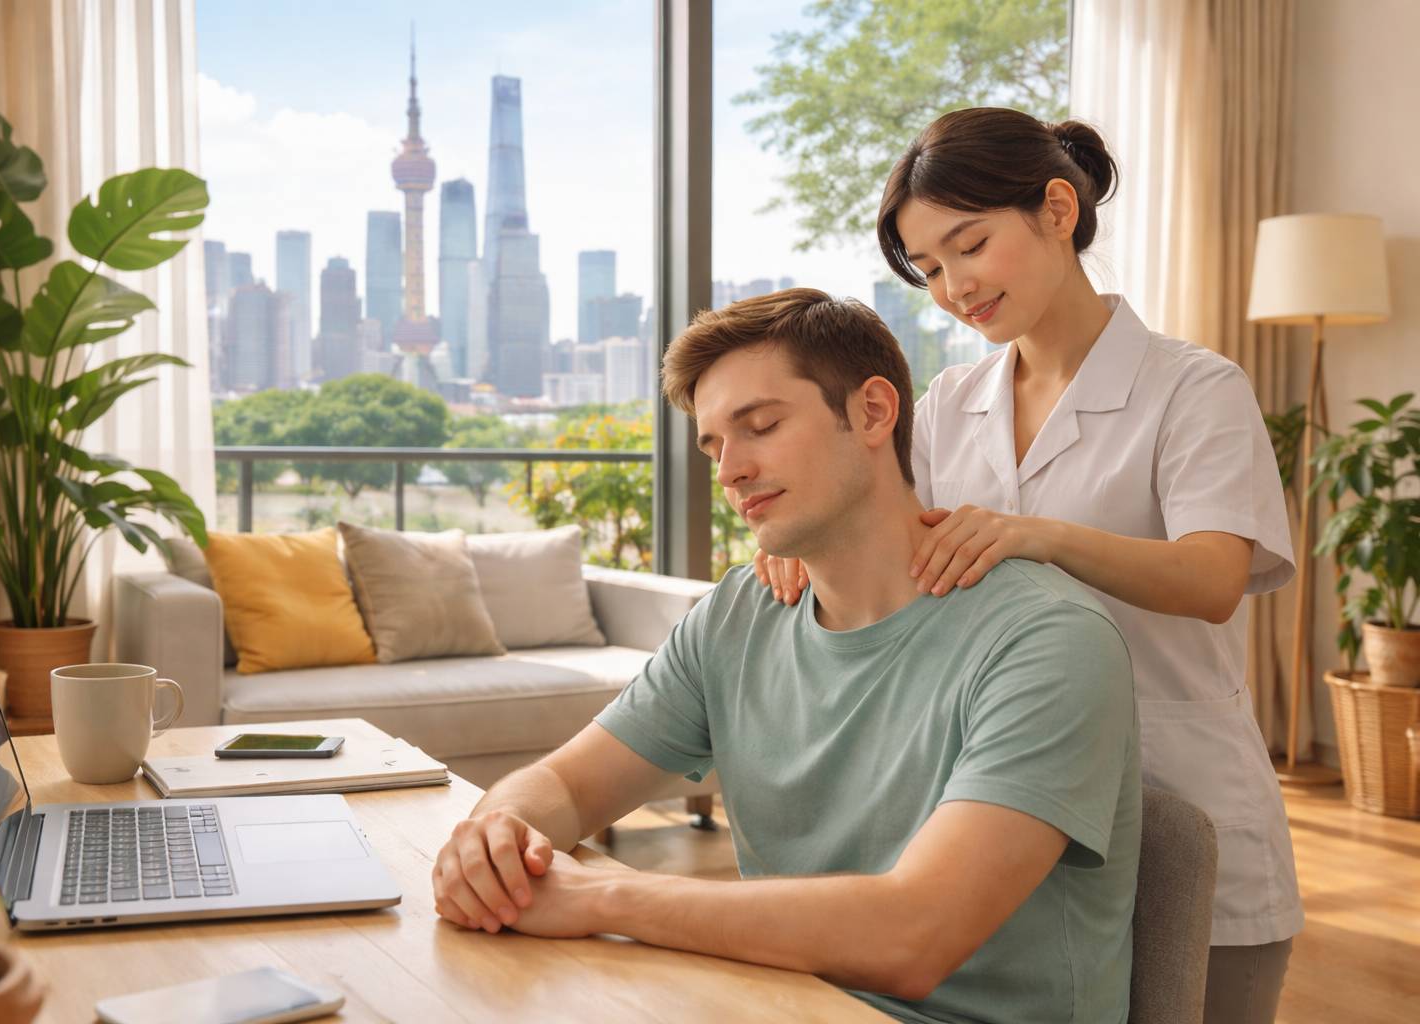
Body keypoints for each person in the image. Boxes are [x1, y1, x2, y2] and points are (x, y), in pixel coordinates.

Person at [432, 289, 1141, 1023]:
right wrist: (499, 835)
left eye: (762, 426)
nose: (730, 471)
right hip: (775, 1003)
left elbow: (915, 933)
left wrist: (605, 896)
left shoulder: (1047, 638)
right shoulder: (739, 616)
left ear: (874, 412)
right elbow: (567, 785)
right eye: (714, 447)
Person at [754, 107, 1300, 1024]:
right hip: (1005, 813)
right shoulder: (950, 401)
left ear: (1056, 210)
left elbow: (1212, 580)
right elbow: (891, 539)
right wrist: (798, 547)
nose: (955, 286)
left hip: (1184, 797)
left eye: (970, 246)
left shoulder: (1195, 387)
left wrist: (1035, 535)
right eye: (929, 269)